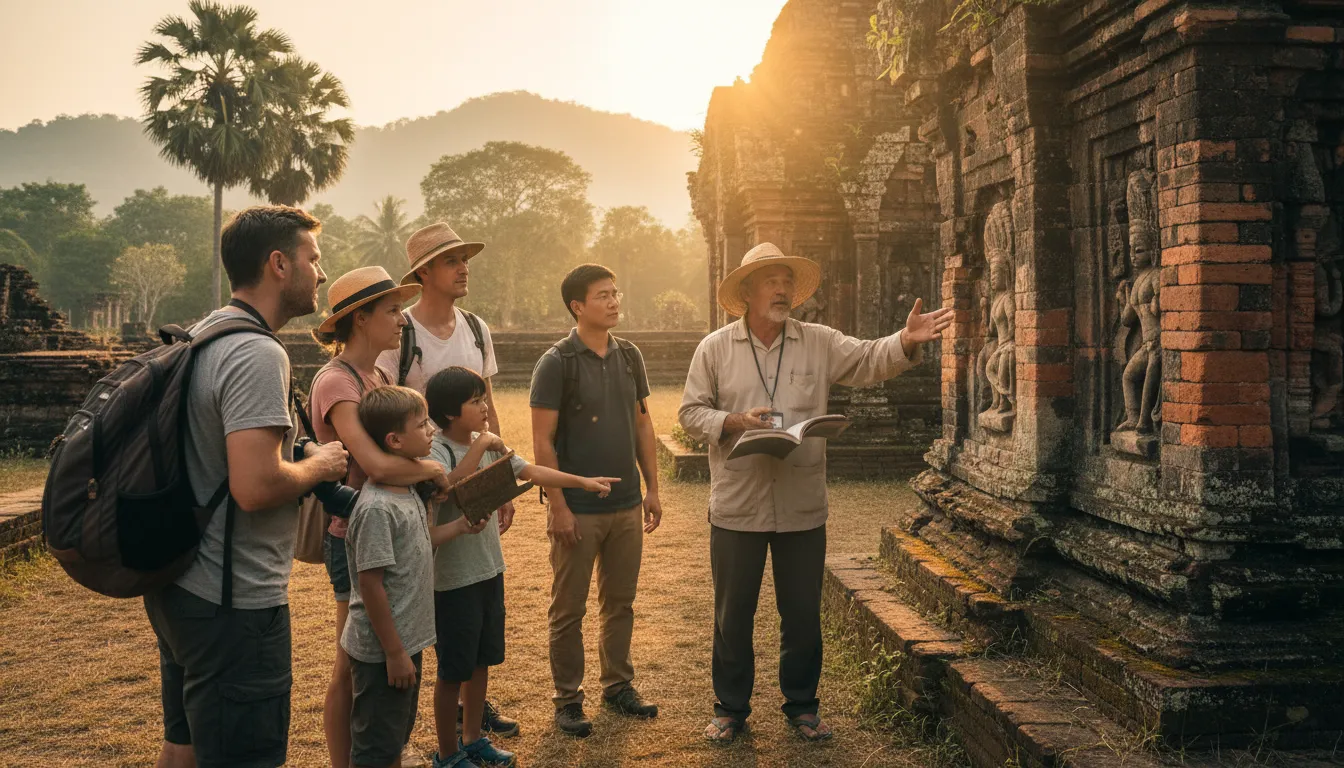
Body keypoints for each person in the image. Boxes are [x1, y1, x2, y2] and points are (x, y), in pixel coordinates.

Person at [678, 242, 953, 743]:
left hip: (802, 504)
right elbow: (691, 413)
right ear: (747, 292)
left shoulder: (817, 341)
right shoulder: (714, 348)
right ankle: (730, 709)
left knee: (802, 613)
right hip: (738, 504)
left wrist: (906, 340)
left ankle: (802, 705)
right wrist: (735, 421)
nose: (782, 289)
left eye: (787, 281)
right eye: (770, 281)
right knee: (731, 614)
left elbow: (870, 358)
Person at [143, 205, 351, 768]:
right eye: (314, 258)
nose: (322, 273)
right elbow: (256, 487)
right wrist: (322, 465)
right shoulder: (257, 352)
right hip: (234, 604)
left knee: (183, 745)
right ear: (279, 264)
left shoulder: (206, 330)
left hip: (181, 583)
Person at [310, 266, 467, 768]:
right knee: (350, 663)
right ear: (360, 320)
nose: (401, 321)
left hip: (389, 522)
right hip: (357, 529)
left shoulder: (376, 375)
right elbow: (376, 463)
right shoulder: (337, 382)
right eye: (391, 311)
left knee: (364, 659)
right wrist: (431, 468)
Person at [425, 366, 619, 768]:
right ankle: (447, 753)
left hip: (487, 571)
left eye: (483, 398)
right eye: (475, 401)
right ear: (447, 414)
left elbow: (530, 470)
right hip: (451, 581)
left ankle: (474, 738)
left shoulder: (487, 444)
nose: (484, 407)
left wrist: (581, 481)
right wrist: (482, 447)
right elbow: (446, 487)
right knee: (452, 670)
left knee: (481, 661)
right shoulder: (437, 450)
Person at [375, 222, 521, 740]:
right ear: (424, 273)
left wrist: (500, 482)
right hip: (422, 486)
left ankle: (471, 709)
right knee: (436, 598)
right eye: (450, 260)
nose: (463, 268)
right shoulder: (403, 334)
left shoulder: (476, 328)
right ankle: (434, 718)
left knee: (476, 593)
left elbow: (488, 408)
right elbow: (386, 412)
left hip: (475, 475)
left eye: (465, 258)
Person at [529, 264, 663, 738]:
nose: (613, 301)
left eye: (615, 292)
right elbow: (542, 442)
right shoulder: (557, 362)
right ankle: (567, 699)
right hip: (579, 511)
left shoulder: (629, 356)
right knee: (568, 608)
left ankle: (618, 685)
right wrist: (559, 505)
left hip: (626, 504)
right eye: (602, 295)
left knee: (620, 603)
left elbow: (643, 424)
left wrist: (652, 487)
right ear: (577, 306)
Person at [342, 386, 492, 768]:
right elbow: (370, 584)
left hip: (406, 641)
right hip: (383, 652)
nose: (430, 430)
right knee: (376, 747)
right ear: (394, 440)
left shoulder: (409, 491)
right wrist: (393, 653)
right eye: (422, 423)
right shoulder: (377, 508)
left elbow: (421, 544)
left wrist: (459, 527)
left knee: (394, 736)